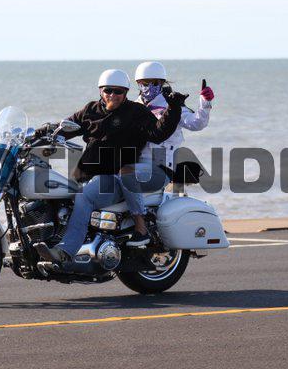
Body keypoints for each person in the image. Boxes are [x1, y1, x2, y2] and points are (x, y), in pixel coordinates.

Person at [34, 69, 185, 263]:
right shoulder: (90, 110)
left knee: (125, 172)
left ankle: (141, 227)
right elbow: (67, 126)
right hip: (104, 176)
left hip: (126, 174)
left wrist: (173, 108)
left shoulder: (136, 112)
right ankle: (65, 251)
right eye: (108, 90)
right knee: (81, 196)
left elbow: (159, 133)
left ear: (126, 93)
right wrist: (39, 133)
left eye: (118, 91)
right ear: (101, 91)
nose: (112, 95)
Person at [120, 61, 215, 247]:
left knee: (125, 173)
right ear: (137, 84)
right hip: (136, 164)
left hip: (160, 166)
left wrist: (205, 103)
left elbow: (197, 123)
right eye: (144, 83)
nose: (149, 87)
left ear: (162, 83)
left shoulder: (172, 105)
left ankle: (141, 227)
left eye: (154, 83)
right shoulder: (133, 106)